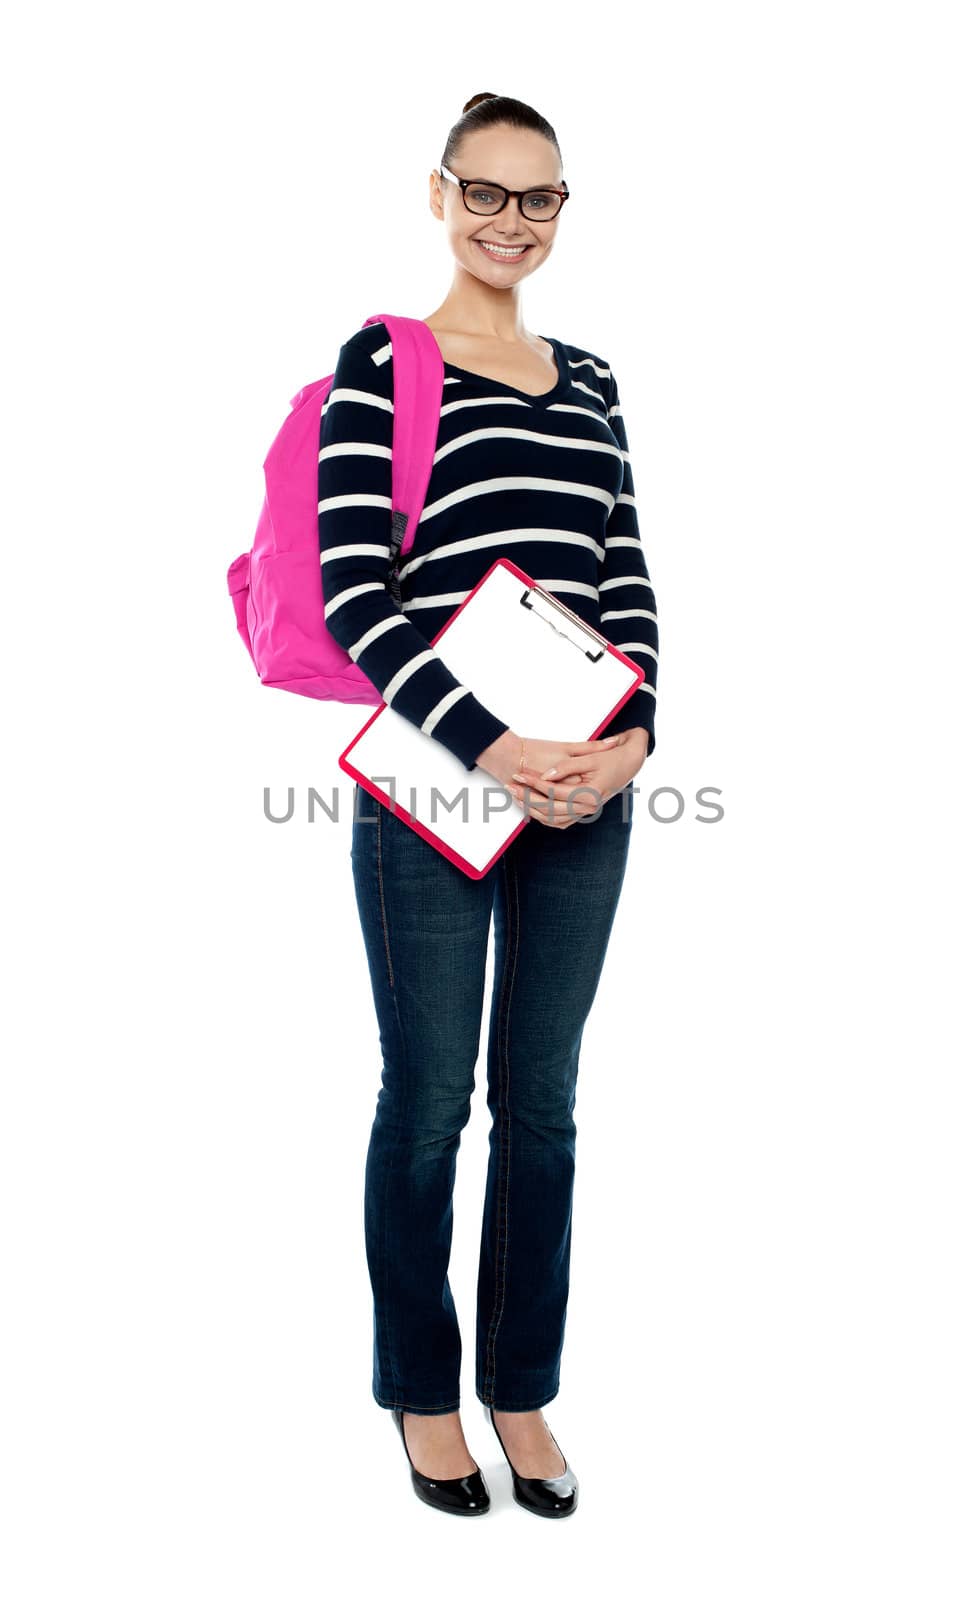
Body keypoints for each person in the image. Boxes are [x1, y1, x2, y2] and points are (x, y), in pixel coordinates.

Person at [316, 92, 659, 1518]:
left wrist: (634, 735)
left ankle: (522, 1388)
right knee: (429, 1107)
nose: (512, 221)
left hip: (587, 790)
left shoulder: (589, 381)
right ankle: (420, 1390)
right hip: (435, 797)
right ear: (441, 193)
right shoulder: (385, 365)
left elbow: (626, 573)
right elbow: (352, 597)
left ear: (564, 210)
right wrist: (492, 742)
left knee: (545, 1107)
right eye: (489, 193)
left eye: (541, 198)